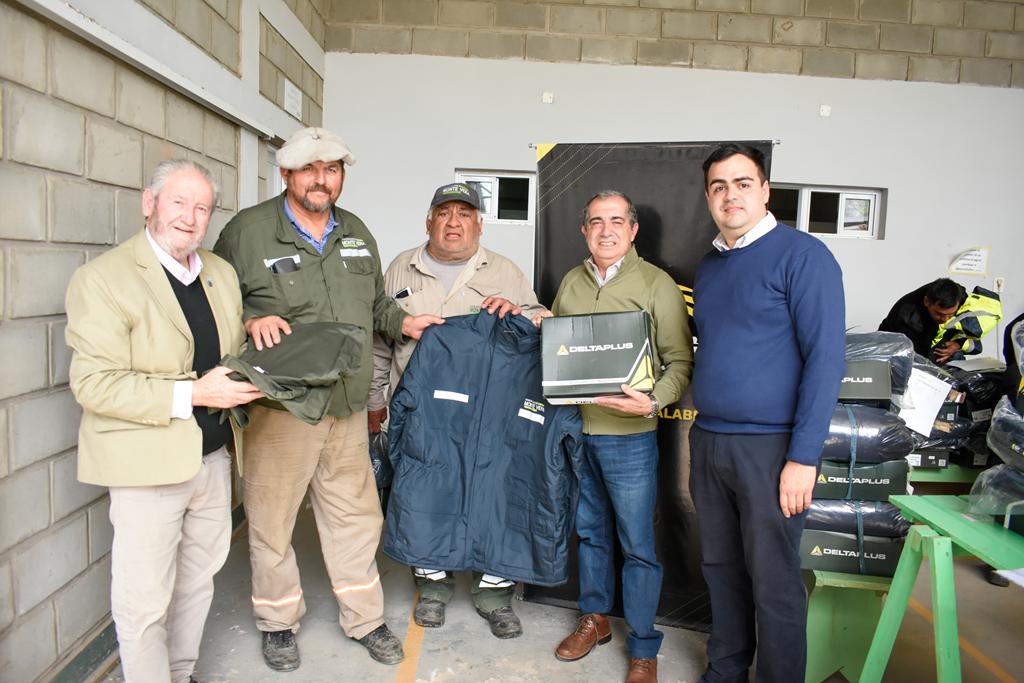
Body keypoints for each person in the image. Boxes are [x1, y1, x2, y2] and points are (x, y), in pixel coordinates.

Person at [213, 127, 442, 671]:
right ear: (286, 174)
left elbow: (375, 305)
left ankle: (364, 619)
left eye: (332, 170)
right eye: (310, 169)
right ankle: (278, 623)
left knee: (356, 519)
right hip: (283, 408)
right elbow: (217, 302)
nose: (322, 180)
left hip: (346, 404)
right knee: (272, 521)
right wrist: (251, 318)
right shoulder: (247, 232)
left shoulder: (356, 232)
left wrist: (404, 322)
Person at [65, 160, 263, 683]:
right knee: (145, 601)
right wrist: (195, 392)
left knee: (197, 583)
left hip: (212, 458)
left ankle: (180, 672)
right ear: (149, 203)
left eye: (202, 208)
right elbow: (94, 385)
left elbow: (229, 350)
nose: (190, 217)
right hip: (146, 468)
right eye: (178, 202)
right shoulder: (103, 279)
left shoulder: (219, 273)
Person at [689, 144, 846, 683]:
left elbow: (825, 361)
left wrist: (804, 457)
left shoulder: (803, 256)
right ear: (708, 197)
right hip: (709, 440)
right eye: (718, 186)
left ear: (765, 190)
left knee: (774, 580)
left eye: (742, 183)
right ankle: (725, 671)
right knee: (721, 570)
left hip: (772, 448)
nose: (730, 195)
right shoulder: (710, 266)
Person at [368, 181, 544, 638]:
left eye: (464, 214)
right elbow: (380, 342)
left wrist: (521, 312)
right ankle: (433, 587)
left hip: (489, 417)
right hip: (420, 413)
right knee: (424, 498)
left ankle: (494, 594)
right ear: (428, 220)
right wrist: (375, 405)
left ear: (479, 224)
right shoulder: (400, 268)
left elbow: (541, 319)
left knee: (493, 500)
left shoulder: (503, 270)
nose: (453, 222)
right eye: (444, 212)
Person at [535, 190, 693, 683]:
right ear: (584, 230)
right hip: (576, 432)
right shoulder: (571, 282)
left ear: (633, 229)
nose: (606, 230)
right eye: (597, 222)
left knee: (638, 545)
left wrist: (653, 401)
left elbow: (680, 361)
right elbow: (558, 352)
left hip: (630, 438)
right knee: (589, 534)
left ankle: (643, 647)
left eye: (616, 221)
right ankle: (595, 618)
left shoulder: (656, 284)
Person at [880, 278, 967, 363]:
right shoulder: (908, 319)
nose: (945, 319)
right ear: (926, 302)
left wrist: (958, 344)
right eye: (939, 314)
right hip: (894, 347)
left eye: (951, 314)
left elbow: (971, 324)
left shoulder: (958, 295)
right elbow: (918, 359)